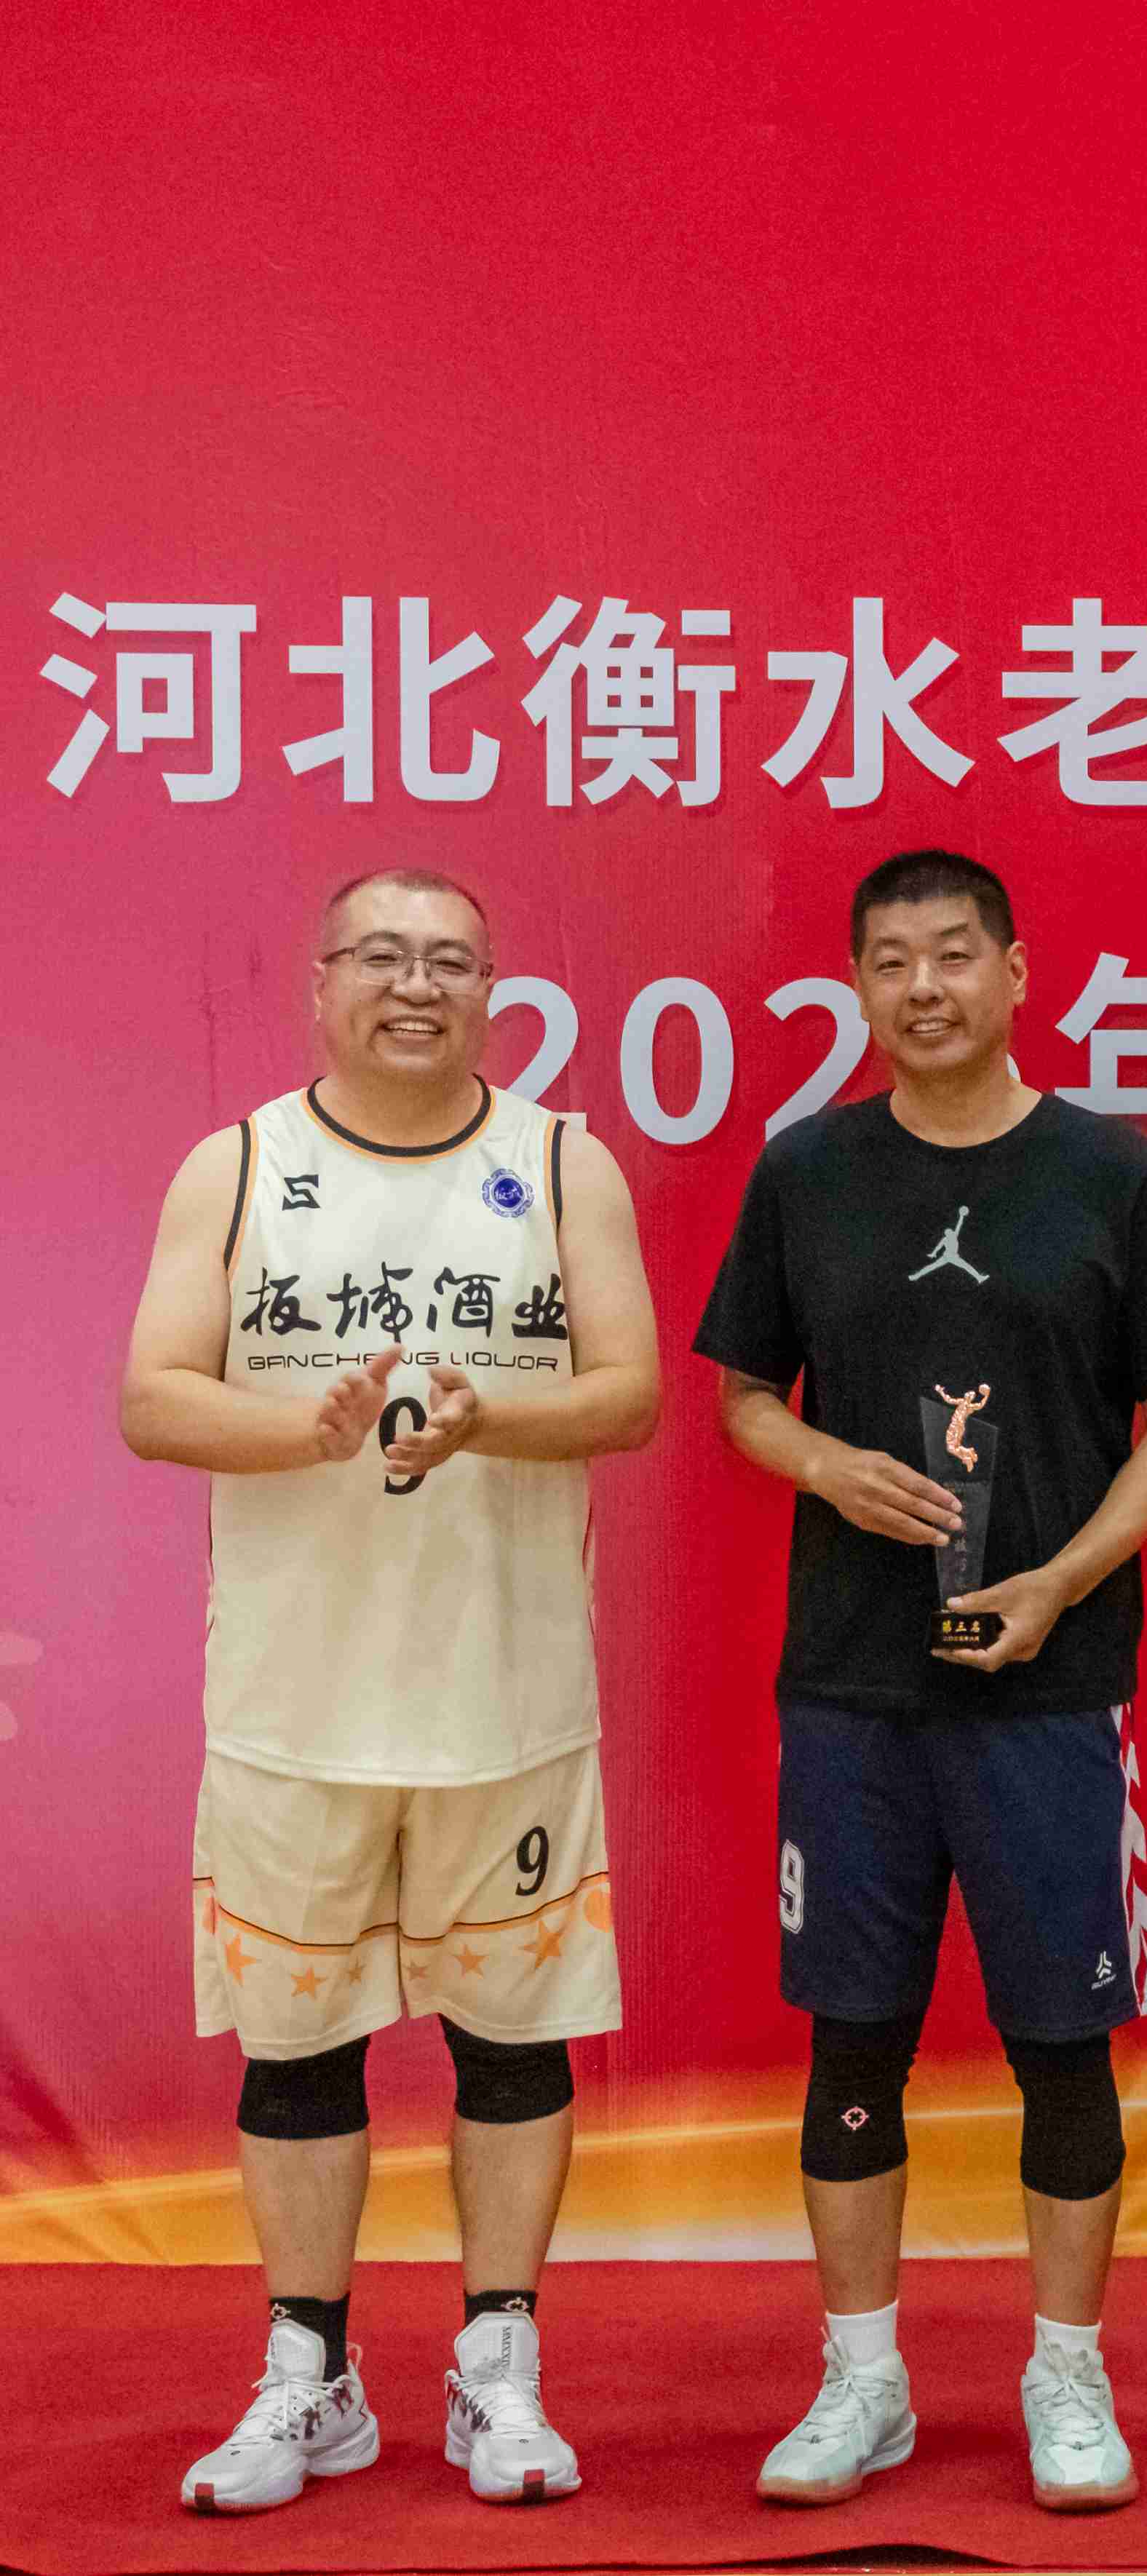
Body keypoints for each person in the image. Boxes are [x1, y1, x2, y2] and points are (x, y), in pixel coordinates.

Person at [695, 848, 1147, 2515]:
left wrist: (1068, 1577)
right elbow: (740, 1400)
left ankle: (1066, 2373)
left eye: (950, 955)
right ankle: (861, 2381)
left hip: (1051, 1693)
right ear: (857, 986)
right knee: (851, 2041)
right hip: (851, 1691)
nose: (921, 988)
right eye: (888, 961)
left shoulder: (1113, 1175)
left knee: (1060, 2045)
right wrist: (825, 1465)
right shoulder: (806, 1171)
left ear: (1015, 971)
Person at [124, 870, 661, 2513]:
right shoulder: (238, 1167)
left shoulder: (562, 1163)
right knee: (297, 2052)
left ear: (495, 989)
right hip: (294, 1709)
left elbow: (632, 1392)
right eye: (381, 956)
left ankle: (501, 2368)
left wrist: (491, 1417)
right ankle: (311, 2376)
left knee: (514, 2045)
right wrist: (304, 1429)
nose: (415, 986)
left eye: (450, 962)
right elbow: (153, 1396)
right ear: (320, 984)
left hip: (507, 1698)